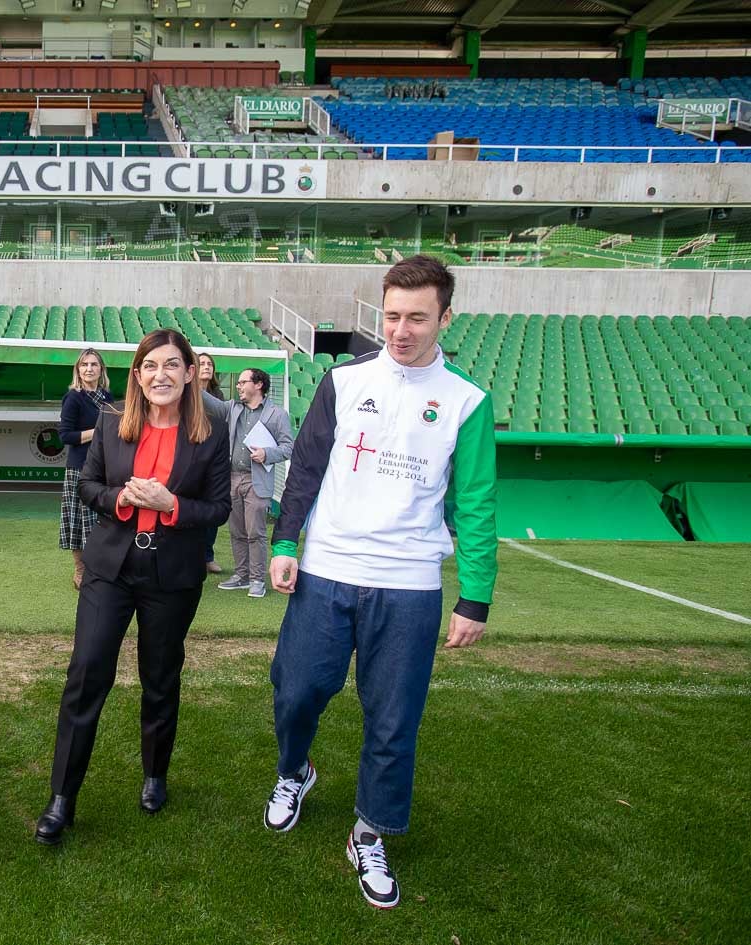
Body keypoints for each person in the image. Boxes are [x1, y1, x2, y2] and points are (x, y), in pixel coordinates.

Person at [263, 255, 497, 909]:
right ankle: (293, 771)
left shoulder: (465, 402)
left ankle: (370, 830)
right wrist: (285, 541)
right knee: (296, 689)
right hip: (327, 569)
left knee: (393, 721)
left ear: (444, 318)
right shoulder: (342, 381)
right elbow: (304, 467)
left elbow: (474, 504)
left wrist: (473, 594)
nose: (400, 330)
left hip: (409, 583)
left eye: (416, 317)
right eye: (391, 315)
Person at [35, 329, 230, 845]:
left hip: (172, 578)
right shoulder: (109, 424)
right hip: (110, 571)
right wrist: (124, 497)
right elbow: (89, 486)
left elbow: (219, 508)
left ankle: (154, 774)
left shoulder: (211, 431)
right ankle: (62, 798)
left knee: (160, 678)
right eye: (149, 366)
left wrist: (173, 506)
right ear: (137, 376)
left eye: (171, 365)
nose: (160, 375)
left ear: (189, 373)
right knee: (86, 671)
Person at [216, 368, 293, 599]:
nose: (238, 386)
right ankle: (242, 576)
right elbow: (207, 401)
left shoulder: (277, 414)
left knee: (255, 532)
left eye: (242, 382)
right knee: (236, 531)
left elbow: (288, 447)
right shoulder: (233, 408)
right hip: (232, 478)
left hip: (256, 481)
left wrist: (266, 454)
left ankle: (257, 579)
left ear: (258, 384)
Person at [58, 348, 114, 590]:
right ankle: (80, 570)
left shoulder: (108, 398)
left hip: (106, 467)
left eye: (93, 364)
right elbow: (65, 436)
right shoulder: (74, 398)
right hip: (80, 468)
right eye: (84, 365)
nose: (89, 368)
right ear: (78, 370)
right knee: (78, 522)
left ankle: (100, 567)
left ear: (101, 369)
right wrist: (98, 431)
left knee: (102, 521)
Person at [196, 352, 227, 574]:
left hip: (213, 456)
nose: (206, 366)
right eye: (202, 363)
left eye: (210, 364)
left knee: (213, 508)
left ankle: (207, 557)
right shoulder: (184, 394)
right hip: (191, 455)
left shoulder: (219, 395)